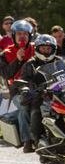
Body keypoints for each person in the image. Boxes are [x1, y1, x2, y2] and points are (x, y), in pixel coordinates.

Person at [0, 20, 35, 152]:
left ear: (30, 35)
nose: (22, 37)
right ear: (13, 36)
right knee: (25, 106)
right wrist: (18, 60)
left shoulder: (37, 48)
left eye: (25, 34)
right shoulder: (5, 54)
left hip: (38, 86)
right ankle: (27, 141)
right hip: (18, 90)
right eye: (19, 34)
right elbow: (6, 74)